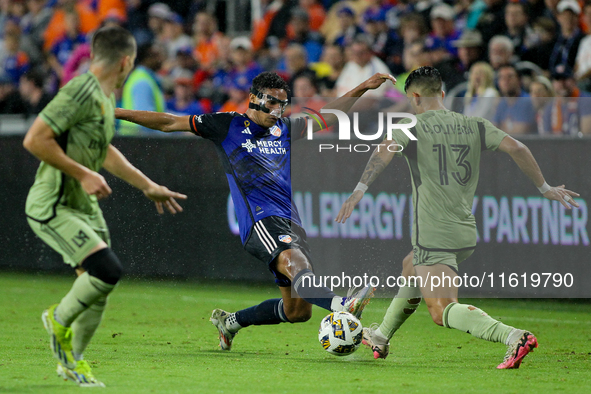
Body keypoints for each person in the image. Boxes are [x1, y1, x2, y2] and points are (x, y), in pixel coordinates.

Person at [114, 71, 397, 351]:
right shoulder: (226, 125)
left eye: (282, 105)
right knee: (296, 264)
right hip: (259, 219)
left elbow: (327, 116)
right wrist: (115, 112)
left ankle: (231, 322)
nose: (277, 110)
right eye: (271, 102)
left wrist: (363, 87)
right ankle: (342, 304)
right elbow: (167, 122)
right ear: (253, 98)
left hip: (290, 221)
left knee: (297, 312)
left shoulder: (284, 128)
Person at [336, 66, 580, 368]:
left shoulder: (412, 125)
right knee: (410, 266)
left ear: (414, 97)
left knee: (441, 310)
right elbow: (518, 147)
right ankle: (382, 337)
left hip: (432, 232)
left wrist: (360, 189)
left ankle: (514, 336)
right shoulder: (474, 124)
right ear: (441, 93)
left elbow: (384, 150)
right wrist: (544, 188)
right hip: (464, 231)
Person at [22, 26, 186, 387]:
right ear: (126, 61)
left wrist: (149, 186)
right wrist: (82, 173)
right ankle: (58, 319)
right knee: (106, 270)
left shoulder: (105, 96)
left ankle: (72, 362)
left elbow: (106, 150)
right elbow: (35, 139)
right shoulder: (80, 90)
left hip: (82, 206)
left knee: (98, 285)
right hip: (53, 202)